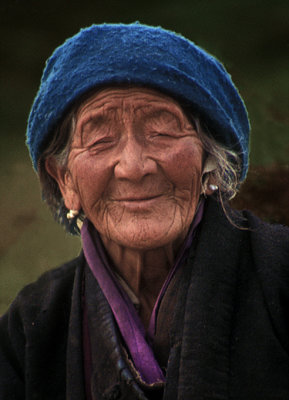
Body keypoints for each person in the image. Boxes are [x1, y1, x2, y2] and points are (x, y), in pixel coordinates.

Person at [0, 23, 288, 400]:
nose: (134, 166)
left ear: (209, 161)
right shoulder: (32, 326)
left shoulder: (280, 274)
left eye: (162, 132)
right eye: (100, 140)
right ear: (65, 180)